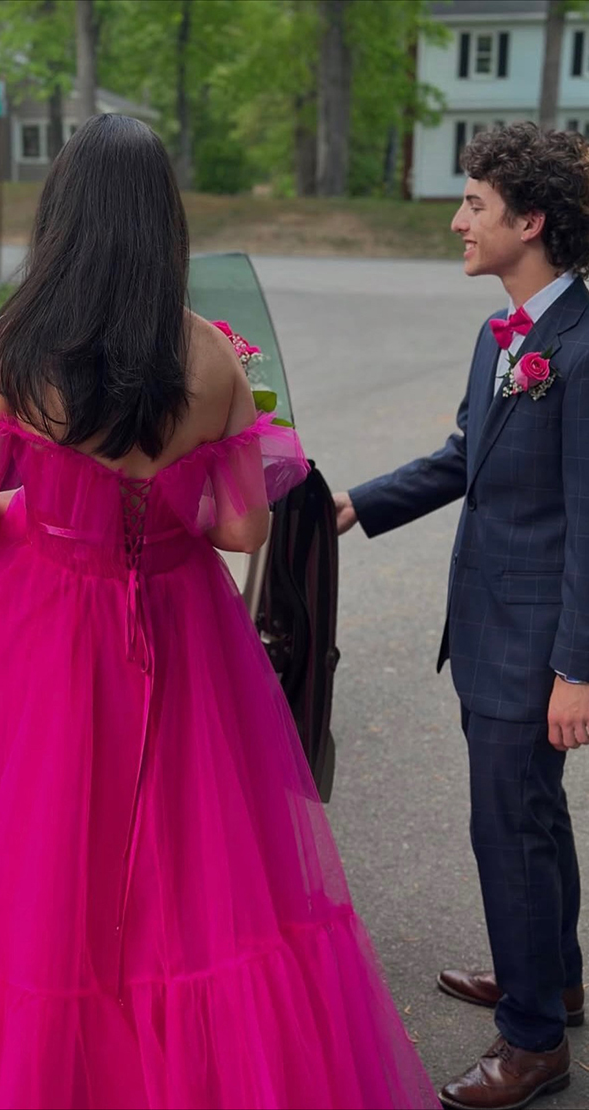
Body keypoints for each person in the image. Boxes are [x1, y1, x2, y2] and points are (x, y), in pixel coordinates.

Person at [0, 114, 438, 1110]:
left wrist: (35, 513)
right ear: (161, 225)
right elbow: (243, 535)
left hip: (37, 630)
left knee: (35, 867)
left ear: (67, 218)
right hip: (181, 632)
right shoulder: (211, 358)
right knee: (182, 872)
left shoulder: (15, 345)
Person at [335, 121, 589, 1110]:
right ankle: (551, 980)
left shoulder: (577, 349)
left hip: (536, 643)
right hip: (500, 627)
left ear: (531, 220)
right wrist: (354, 503)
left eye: (475, 204)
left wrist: (577, 667)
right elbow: (460, 456)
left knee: (508, 830)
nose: (455, 221)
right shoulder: (510, 333)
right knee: (531, 821)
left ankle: (532, 1045)